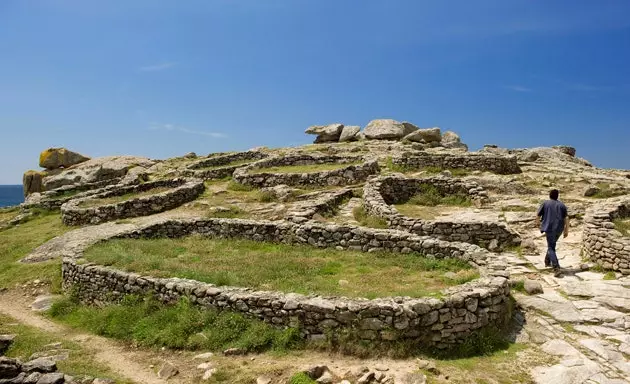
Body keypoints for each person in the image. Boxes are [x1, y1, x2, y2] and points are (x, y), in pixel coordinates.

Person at [536, 189, 569, 277]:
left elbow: (538, 215)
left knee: (551, 247)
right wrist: (566, 230)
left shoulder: (545, 203)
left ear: (549, 195)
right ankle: (547, 261)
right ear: (557, 196)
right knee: (552, 245)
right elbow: (566, 218)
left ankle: (556, 268)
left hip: (549, 228)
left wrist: (538, 224)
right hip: (559, 229)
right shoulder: (562, 205)